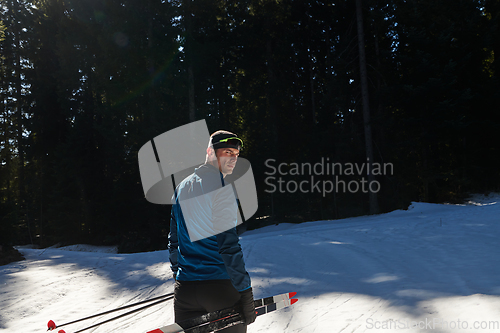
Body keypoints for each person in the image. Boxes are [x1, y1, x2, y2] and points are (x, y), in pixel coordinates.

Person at [168, 130, 256, 332]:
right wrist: (245, 291)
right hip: (220, 288)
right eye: (227, 152)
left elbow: (174, 241)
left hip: (185, 293)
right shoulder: (222, 188)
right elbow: (228, 245)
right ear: (210, 152)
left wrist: (178, 274)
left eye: (235, 154)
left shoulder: (181, 188)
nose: (233, 158)